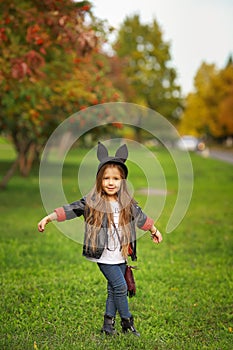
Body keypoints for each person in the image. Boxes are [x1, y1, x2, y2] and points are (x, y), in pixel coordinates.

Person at [38, 142, 162, 336]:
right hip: (104, 256)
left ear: (123, 181)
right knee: (120, 287)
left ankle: (107, 326)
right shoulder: (93, 202)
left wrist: (154, 230)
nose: (111, 182)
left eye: (116, 178)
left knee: (113, 290)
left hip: (120, 255)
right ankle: (127, 324)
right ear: (99, 180)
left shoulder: (126, 203)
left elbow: (141, 217)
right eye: (106, 178)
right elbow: (72, 209)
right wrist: (49, 218)